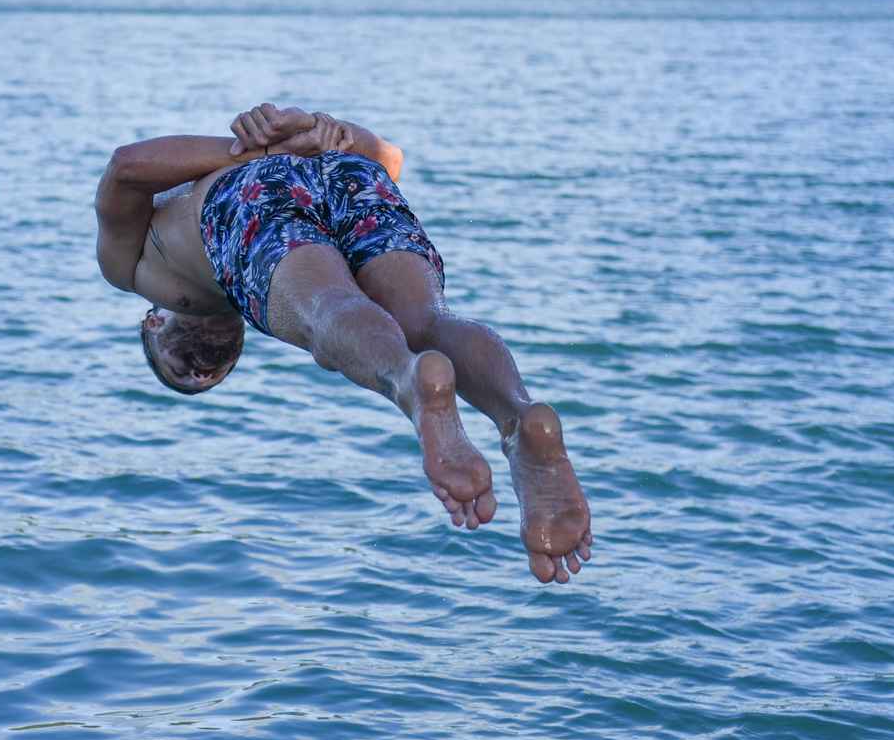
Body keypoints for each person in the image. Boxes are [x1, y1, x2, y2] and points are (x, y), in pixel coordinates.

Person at [94, 103, 592, 583]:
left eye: (191, 368)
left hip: (247, 193)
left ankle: (408, 383)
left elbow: (129, 165)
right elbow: (389, 160)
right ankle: (515, 414)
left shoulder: (138, 271)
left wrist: (259, 157)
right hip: (344, 171)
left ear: (155, 324)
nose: (206, 362)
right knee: (429, 322)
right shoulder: (152, 249)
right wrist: (321, 131)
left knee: (330, 311)